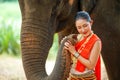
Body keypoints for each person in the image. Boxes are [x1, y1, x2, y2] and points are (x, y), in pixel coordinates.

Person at [64, 11, 102, 80]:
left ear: (91, 23)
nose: (83, 30)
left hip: (87, 78)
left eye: (85, 26)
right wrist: (64, 44)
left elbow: (91, 65)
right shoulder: (77, 38)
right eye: (79, 27)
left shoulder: (96, 42)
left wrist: (74, 52)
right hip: (72, 77)